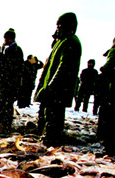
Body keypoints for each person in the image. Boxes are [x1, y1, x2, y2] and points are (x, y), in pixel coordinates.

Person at [34, 12, 82, 146]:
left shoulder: (71, 41)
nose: (58, 28)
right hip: (53, 88)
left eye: (60, 25)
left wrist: (51, 86)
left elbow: (63, 67)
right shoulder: (61, 42)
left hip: (59, 89)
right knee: (47, 113)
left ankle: (51, 140)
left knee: (54, 116)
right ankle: (48, 137)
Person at [0, 27, 24, 133]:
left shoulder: (16, 50)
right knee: (4, 102)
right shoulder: (10, 49)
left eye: (6, 39)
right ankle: (1, 121)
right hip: (7, 81)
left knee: (7, 103)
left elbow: (12, 67)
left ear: (10, 39)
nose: (4, 41)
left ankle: (6, 124)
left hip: (11, 82)